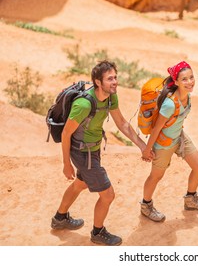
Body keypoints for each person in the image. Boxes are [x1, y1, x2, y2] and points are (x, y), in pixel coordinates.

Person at [51, 60, 150, 246]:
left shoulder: (112, 97)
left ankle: (60, 217)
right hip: (82, 153)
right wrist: (66, 164)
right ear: (98, 82)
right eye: (110, 79)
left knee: (80, 184)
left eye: (115, 77)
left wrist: (142, 146)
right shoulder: (84, 104)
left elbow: (122, 124)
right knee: (108, 195)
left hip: (92, 149)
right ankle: (98, 232)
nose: (115, 82)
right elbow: (66, 133)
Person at [140, 61, 198, 222]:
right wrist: (147, 149)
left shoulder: (187, 97)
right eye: (184, 79)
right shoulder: (169, 104)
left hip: (179, 137)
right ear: (176, 82)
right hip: (164, 144)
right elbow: (157, 128)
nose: (190, 82)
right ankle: (146, 205)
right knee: (156, 176)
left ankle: (191, 199)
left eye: (191, 77)